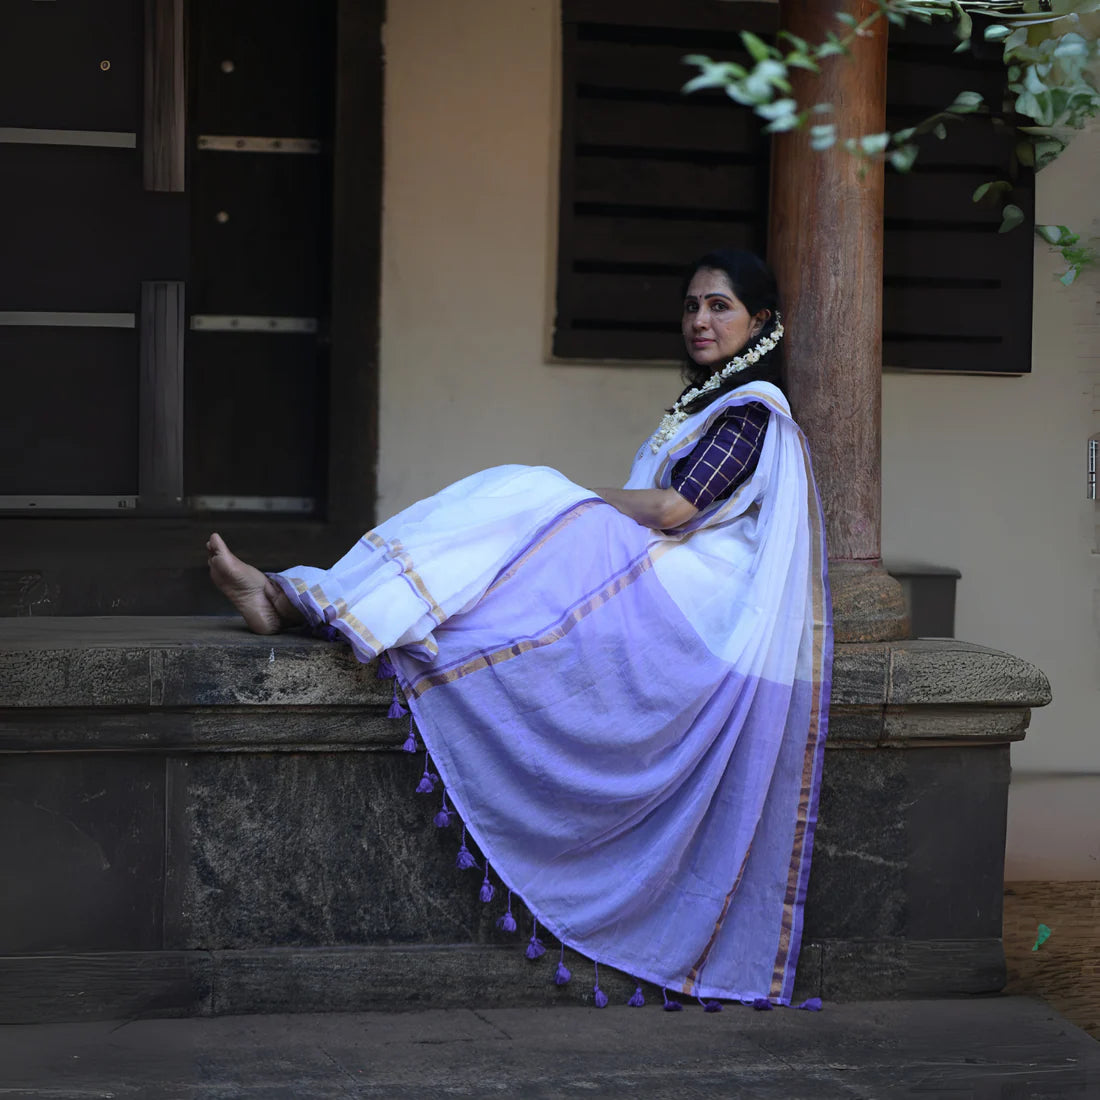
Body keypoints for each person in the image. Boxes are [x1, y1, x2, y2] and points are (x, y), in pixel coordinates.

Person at [208, 249, 832, 1008]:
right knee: (499, 544)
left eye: (720, 307)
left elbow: (675, 510)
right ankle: (305, 599)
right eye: (692, 305)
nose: (700, 320)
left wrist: (571, 496)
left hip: (695, 602)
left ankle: (303, 601)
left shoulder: (753, 411)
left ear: (760, 323)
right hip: (662, 574)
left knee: (524, 498)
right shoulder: (710, 403)